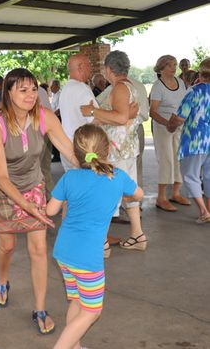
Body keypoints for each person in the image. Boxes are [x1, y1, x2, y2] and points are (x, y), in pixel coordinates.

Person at [0, 68, 77, 335]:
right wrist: (25, 205)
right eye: (22, 90)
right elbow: (2, 177)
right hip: (1, 190)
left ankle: (39, 309)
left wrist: (96, 163)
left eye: (34, 89)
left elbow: (68, 149)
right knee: (8, 245)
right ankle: (2, 281)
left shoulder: (44, 116)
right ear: (9, 93)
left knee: (38, 248)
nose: (30, 95)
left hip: (32, 183)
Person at [46, 124, 143, 349]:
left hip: (64, 253)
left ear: (76, 153)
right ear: (107, 149)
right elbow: (137, 194)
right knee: (92, 311)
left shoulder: (69, 178)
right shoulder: (117, 177)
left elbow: (50, 210)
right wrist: (124, 193)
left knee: (77, 301)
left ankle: (76, 347)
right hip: (88, 259)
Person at [81, 50, 146, 252]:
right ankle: (137, 236)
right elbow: (122, 115)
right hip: (127, 149)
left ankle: (101, 245)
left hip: (117, 152)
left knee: (106, 196)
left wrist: (91, 111)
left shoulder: (119, 88)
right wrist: (101, 116)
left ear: (109, 69)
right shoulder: (130, 86)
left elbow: (119, 117)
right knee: (128, 193)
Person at [167, 57, 210, 223]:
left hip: (195, 140)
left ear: (202, 71)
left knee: (190, 175)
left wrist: (171, 126)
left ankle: (204, 211)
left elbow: (180, 117)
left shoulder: (195, 91)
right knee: (209, 176)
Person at [149, 55, 189, 212]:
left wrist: (179, 121)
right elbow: (152, 112)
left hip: (178, 125)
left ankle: (176, 194)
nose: (174, 68)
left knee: (178, 159)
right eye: (170, 65)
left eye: (175, 65)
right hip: (162, 126)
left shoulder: (180, 82)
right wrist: (168, 123)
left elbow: (184, 103)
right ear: (162, 68)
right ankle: (161, 198)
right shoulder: (158, 86)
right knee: (166, 161)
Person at [58, 54, 97, 172]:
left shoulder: (65, 89)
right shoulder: (82, 88)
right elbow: (95, 120)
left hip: (66, 147)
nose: (91, 67)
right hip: (82, 150)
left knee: (74, 187)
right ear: (80, 67)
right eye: (89, 64)